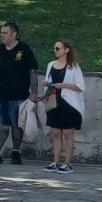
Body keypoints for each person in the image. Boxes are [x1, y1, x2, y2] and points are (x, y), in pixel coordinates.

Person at [0, 23, 40, 165]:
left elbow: (32, 71)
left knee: (16, 125)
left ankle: (16, 152)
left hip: (18, 95)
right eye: (1, 33)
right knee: (2, 125)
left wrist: (34, 92)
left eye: (5, 33)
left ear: (14, 34)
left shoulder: (24, 49)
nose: (2, 35)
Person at [43, 40, 86, 174]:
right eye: (54, 48)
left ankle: (67, 163)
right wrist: (47, 83)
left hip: (68, 103)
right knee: (56, 133)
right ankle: (55, 161)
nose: (55, 50)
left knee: (68, 133)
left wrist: (63, 85)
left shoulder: (73, 67)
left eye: (58, 48)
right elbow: (48, 81)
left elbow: (81, 86)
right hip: (54, 102)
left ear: (66, 50)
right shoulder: (51, 65)